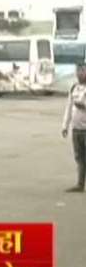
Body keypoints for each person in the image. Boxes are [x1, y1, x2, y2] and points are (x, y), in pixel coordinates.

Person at [61, 63, 86, 193]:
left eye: (82, 71)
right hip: (76, 129)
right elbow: (69, 108)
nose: (79, 74)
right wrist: (65, 126)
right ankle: (80, 184)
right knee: (80, 158)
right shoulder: (74, 88)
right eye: (78, 71)